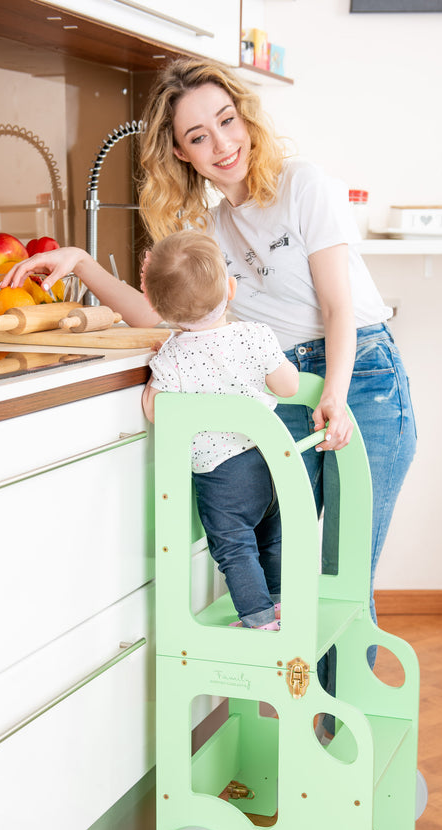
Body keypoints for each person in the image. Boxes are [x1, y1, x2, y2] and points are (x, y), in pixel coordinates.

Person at [2, 57, 417, 689]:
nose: (222, 144)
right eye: (199, 136)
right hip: (285, 388)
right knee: (295, 574)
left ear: (245, 116)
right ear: (180, 152)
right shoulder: (213, 228)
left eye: (227, 121)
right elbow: (165, 313)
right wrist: (84, 264)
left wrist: (332, 394)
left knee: (343, 573)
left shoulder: (304, 184)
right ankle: (310, 735)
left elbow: (337, 306)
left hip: (359, 374)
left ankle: (343, 738)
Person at [140, 230, 299, 631]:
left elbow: (155, 410)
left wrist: (153, 375)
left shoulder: (175, 354)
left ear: (158, 308)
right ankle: (279, 602)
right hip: (268, 460)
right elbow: (288, 387)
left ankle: (258, 619)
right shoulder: (255, 335)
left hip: (221, 474)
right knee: (271, 534)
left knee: (234, 546)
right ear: (230, 289)